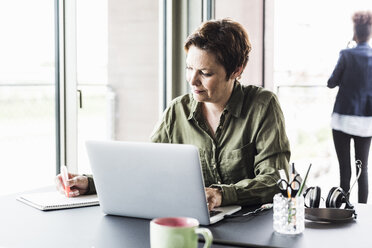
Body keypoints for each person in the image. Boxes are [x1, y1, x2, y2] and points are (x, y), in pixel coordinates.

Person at [56, 18, 291, 210]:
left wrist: (222, 194)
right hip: (191, 223)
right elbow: (146, 168)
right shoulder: (177, 110)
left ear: (236, 70)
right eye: (189, 68)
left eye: (205, 73)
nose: (192, 80)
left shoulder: (262, 106)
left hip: (250, 227)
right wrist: (91, 182)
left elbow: (274, 180)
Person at [327, 10, 372, 203]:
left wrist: (348, 47)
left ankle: (343, 213)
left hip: (342, 121)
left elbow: (331, 82)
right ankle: (363, 215)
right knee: (362, 171)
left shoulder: (346, 54)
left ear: (355, 32)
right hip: (366, 122)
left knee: (344, 171)